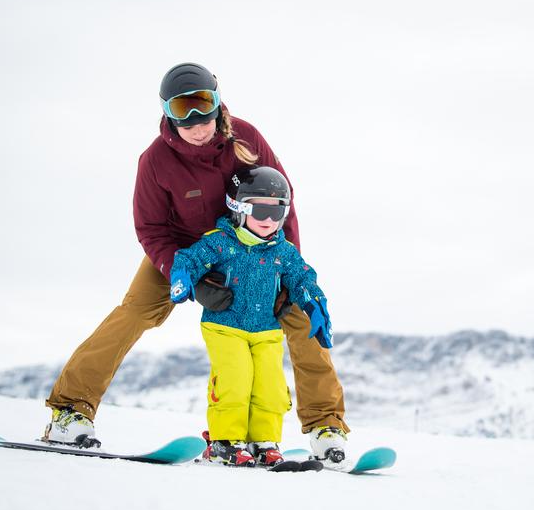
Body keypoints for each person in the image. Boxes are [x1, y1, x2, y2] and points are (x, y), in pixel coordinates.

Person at [43, 63, 349, 460]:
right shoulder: (155, 161)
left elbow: (282, 198)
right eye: (182, 110)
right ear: (167, 112)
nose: (195, 122)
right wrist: (184, 275)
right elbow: (151, 229)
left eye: (202, 106)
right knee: (135, 313)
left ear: (217, 102)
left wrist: (287, 265)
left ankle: (326, 424)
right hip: (184, 252)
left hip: (252, 247)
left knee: (300, 317)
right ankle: (70, 411)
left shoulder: (246, 136)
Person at [168, 166, 330, 467]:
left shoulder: (284, 250)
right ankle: (224, 441)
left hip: (267, 330)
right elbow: (190, 258)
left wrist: (315, 303)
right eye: (260, 211)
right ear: (238, 208)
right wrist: (182, 275)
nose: (269, 221)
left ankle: (263, 441)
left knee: (271, 387)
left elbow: (302, 278)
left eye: (277, 212)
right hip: (224, 326)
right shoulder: (221, 241)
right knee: (235, 379)